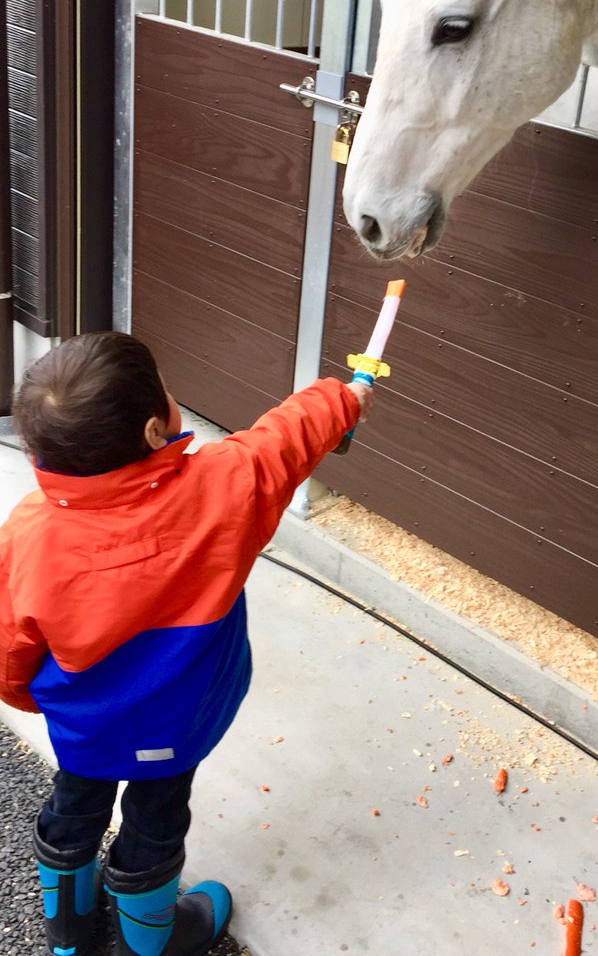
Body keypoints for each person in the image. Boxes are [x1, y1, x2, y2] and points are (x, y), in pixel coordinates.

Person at [0, 331, 373, 956]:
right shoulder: (226, 485)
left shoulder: (29, 534)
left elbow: (10, 645)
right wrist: (346, 397)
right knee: (157, 815)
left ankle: (67, 934)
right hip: (180, 725)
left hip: (87, 729)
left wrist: (32, 699)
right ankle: (149, 944)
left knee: (75, 803)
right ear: (154, 431)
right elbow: (287, 436)